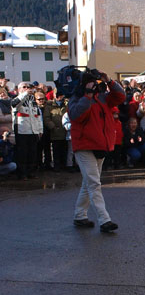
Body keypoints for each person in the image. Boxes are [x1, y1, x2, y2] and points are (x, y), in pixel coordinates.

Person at [68, 70, 125, 231]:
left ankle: (80, 216)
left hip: (101, 145)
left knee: (89, 183)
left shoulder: (102, 98)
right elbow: (76, 115)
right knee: (94, 184)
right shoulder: (77, 99)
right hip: (85, 146)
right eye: (92, 82)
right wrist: (87, 95)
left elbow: (120, 97)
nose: (95, 85)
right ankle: (104, 219)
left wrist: (109, 82)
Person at [11, 82, 43, 179]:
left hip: (32, 131)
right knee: (22, 153)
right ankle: (22, 173)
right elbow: (14, 104)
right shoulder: (17, 100)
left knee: (32, 153)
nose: (27, 88)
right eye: (24, 87)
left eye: (28, 87)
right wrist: (24, 94)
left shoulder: (33, 101)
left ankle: (30, 172)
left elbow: (38, 117)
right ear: (19, 89)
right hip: (22, 131)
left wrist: (40, 130)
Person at [43, 92, 69, 171]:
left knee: (65, 149)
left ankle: (64, 165)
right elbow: (47, 118)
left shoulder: (66, 105)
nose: (60, 97)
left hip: (66, 131)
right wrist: (53, 127)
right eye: (58, 95)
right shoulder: (49, 106)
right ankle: (57, 166)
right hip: (55, 131)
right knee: (56, 150)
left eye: (61, 95)